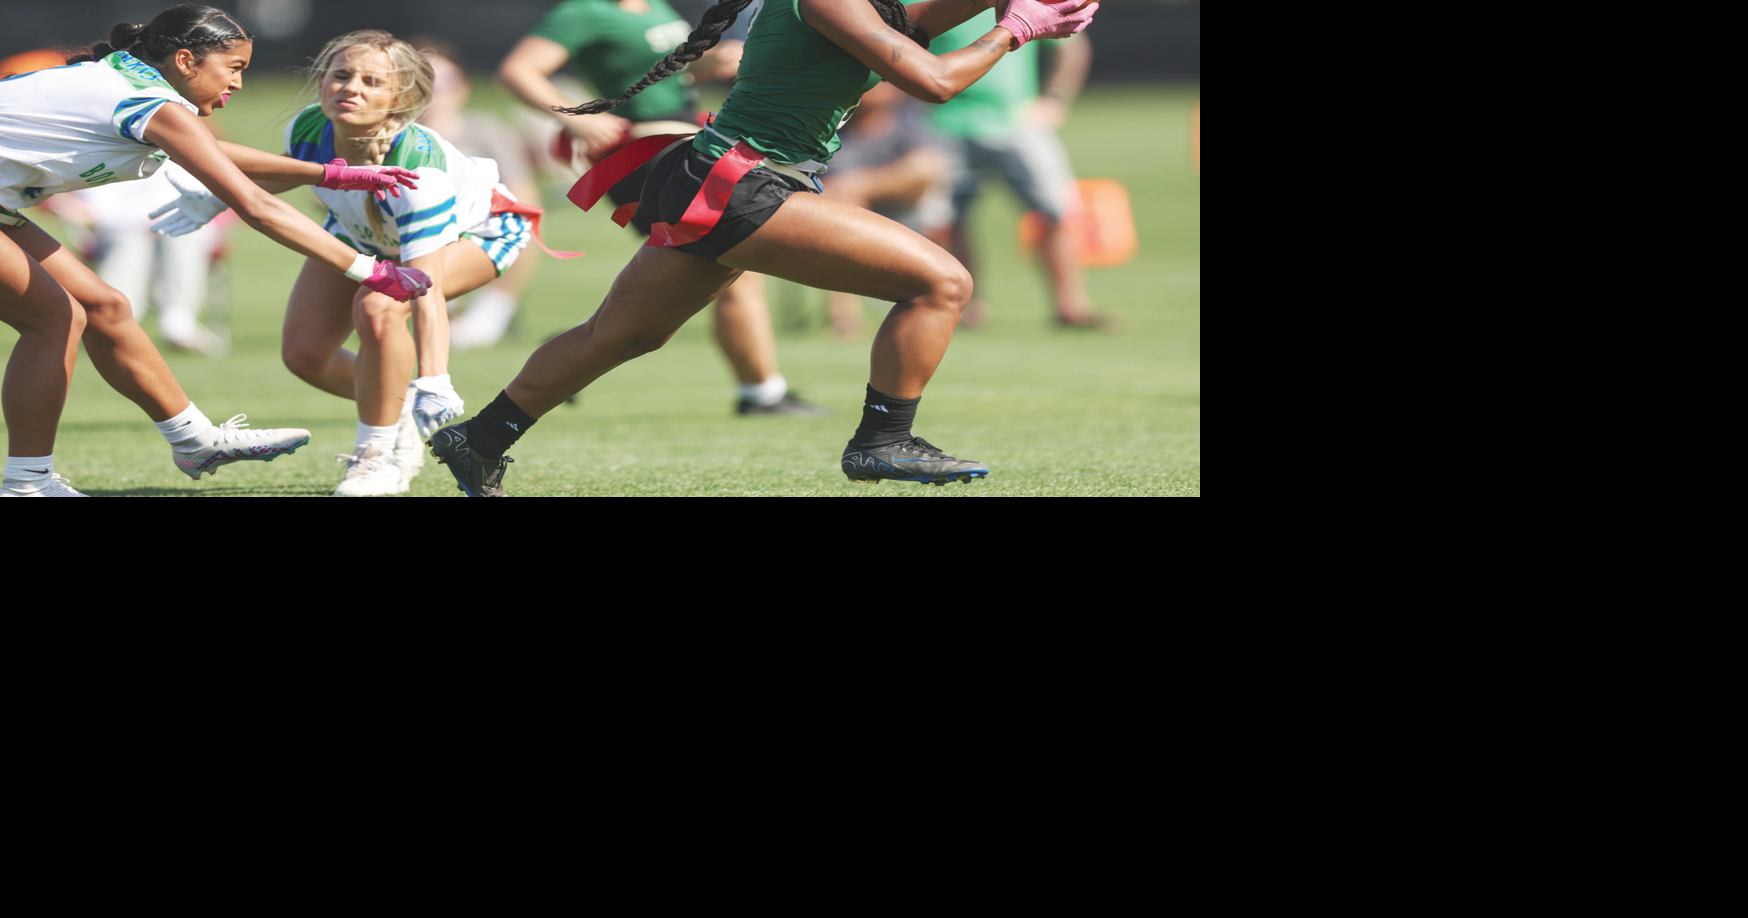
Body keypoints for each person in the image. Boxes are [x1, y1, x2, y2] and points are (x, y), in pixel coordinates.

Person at [427, 0, 1099, 496]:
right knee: (940, 284)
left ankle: (480, 438)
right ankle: (883, 439)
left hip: (716, 174)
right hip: (740, 181)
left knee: (619, 335)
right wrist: (1017, 31)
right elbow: (934, 80)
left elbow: (922, 23)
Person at [0, 4, 428, 498]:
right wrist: (368, 270)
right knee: (54, 319)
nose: (239, 84)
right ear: (186, 61)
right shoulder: (146, 100)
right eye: (235, 68)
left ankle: (195, 441)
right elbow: (255, 206)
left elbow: (211, 151)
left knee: (104, 307)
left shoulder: (135, 83)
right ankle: (27, 485)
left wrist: (331, 173)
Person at [497, 0, 826, 416]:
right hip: (644, 147)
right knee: (731, 256)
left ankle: (575, 351)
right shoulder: (585, 12)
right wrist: (577, 118)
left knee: (698, 270)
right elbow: (517, 71)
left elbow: (660, 70)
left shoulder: (654, 8)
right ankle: (761, 393)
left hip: (683, 133)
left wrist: (706, 63)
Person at [266, 31, 542, 496]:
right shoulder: (307, 127)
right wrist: (206, 195)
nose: (352, 87)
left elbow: (421, 287)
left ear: (401, 99)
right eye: (342, 74)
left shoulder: (420, 174)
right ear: (320, 82)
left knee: (378, 307)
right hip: (365, 231)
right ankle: (397, 399)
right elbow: (272, 176)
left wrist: (435, 377)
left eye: (372, 81)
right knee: (305, 355)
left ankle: (377, 457)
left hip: (476, 232)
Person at [926, 11, 1100, 327]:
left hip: (1015, 122)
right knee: (946, 220)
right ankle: (964, 306)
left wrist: (1055, 99)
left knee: (1056, 210)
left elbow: (1072, 47)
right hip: (939, 124)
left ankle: (1070, 304)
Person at [818, 79, 952, 337]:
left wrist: (863, 184)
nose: (878, 88)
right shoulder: (830, 127)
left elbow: (928, 168)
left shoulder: (910, 120)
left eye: (884, 82)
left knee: (922, 169)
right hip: (844, 213)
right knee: (844, 204)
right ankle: (845, 319)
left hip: (906, 208)